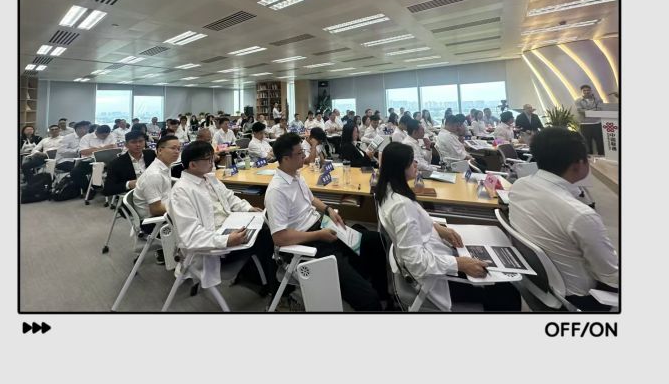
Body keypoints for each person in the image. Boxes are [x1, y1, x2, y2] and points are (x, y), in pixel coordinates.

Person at [375, 142, 521, 311]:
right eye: (411, 161)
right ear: (399, 168)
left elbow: (414, 224)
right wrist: (460, 264)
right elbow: (416, 262)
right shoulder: (401, 206)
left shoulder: (389, 192)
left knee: (499, 281)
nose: (416, 164)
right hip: (434, 278)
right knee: (507, 293)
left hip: (435, 258)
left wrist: (438, 228)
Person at [264, 133, 387, 311]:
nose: (304, 156)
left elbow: (311, 199)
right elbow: (280, 238)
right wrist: (319, 235)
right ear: (285, 159)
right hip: (310, 242)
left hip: (323, 227)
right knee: (367, 298)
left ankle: (382, 293)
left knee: (376, 241)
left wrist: (328, 210)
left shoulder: (296, 175)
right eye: (300, 153)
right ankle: (367, 293)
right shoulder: (276, 191)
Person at [509, 127, 618, 311]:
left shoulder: (519, 186)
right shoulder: (580, 215)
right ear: (578, 164)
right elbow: (611, 276)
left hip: (539, 286)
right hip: (582, 299)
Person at [168, 141, 276, 293]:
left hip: (229, 227)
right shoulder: (181, 192)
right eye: (209, 159)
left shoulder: (209, 178)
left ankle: (260, 279)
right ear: (192, 165)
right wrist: (226, 240)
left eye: (212, 157)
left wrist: (248, 208)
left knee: (267, 226)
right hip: (213, 247)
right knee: (267, 236)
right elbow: (190, 236)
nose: (214, 161)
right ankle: (275, 290)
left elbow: (229, 197)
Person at [132, 134, 179, 222]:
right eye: (173, 148)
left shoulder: (165, 166)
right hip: (155, 221)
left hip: (165, 208)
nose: (177, 152)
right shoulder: (154, 174)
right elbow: (156, 210)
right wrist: (181, 207)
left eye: (178, 149)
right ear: (160, 150)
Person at [103, 130, 156, 197]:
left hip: (154, 189)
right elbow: (107, 189)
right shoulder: (116, 163)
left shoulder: (152, 155)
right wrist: (128, 184)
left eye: (141, 141)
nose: (138, 145)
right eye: (133, 142)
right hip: (134, 194)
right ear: (126, 144)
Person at [54, 120, 92, 191]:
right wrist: (76, 151)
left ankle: (93, 186)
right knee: (78, 171)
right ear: (78, 128)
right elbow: (61, 151)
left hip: (81, 160)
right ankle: (87, 189)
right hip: (65, 160)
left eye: (88, 128)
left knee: (94, 167)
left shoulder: (88, 137)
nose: (87, 130)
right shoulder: (68, 137)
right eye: (86, 128)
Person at [575, 85, 604, 156]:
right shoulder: (578, 100)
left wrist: (587, 111)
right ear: (581, 91)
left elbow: (600, 109)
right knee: (587, 143)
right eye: (584, 90)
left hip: (597, 123)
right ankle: (589, 158)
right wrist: (593, 110)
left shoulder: (598, 99)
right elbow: (580, 110)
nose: (586, 92)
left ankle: (602, 156)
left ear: (591, 90)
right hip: (585, 124)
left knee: (600, 141)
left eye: (588, 90)